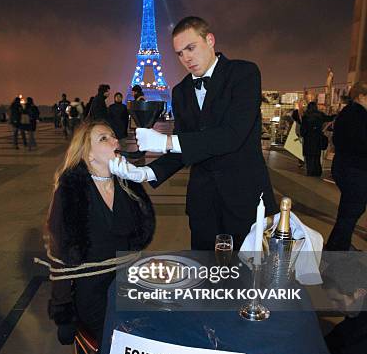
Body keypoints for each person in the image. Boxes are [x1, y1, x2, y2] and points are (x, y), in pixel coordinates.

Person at [110, 16, 276, 250]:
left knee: (245, 278)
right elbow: (185, 147)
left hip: (245, 199)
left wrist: (167, 141)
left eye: (191, 48)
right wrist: (147, 172)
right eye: (179, 53)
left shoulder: (244, 73)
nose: (186, 58)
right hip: (203, 203)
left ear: (209, 40)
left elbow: (233, 135)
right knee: (203, 273)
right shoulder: (180, 91)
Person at [45, 120, 155, 354]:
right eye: (104, 138)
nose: (115, 141)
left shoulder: (128, 185)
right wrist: (63, 312)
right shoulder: (72, 191)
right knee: (118, 343)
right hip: (93, 288)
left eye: (114, 136)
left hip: (129, 282)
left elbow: (138, 237)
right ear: (88, 153)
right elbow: (60, 255)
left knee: (156, 334)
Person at [326, 81, 367, 251]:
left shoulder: (347, 113)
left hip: (346, 167)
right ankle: (337, 248)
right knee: (351, 211)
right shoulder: (359, 116)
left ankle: (337, 245)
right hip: (356, 169)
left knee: (349, 210)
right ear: (362, 96)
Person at [300, 101, 333, 176]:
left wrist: (304, 134)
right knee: (317, 156)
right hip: (317, 138)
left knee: (309, 157)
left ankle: (310, 172)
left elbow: (303, 130)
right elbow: (329, 118)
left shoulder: (306, 116)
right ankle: (317, 171)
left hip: (308, 139)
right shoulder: (320, 115)